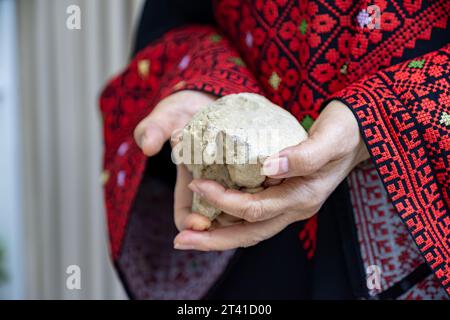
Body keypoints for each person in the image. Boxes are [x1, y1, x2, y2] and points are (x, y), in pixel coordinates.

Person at [100, 0, 449, 299]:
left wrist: (381, 115)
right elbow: (175, 18)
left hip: (415, 217)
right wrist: (204, 81)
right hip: (249, 243)